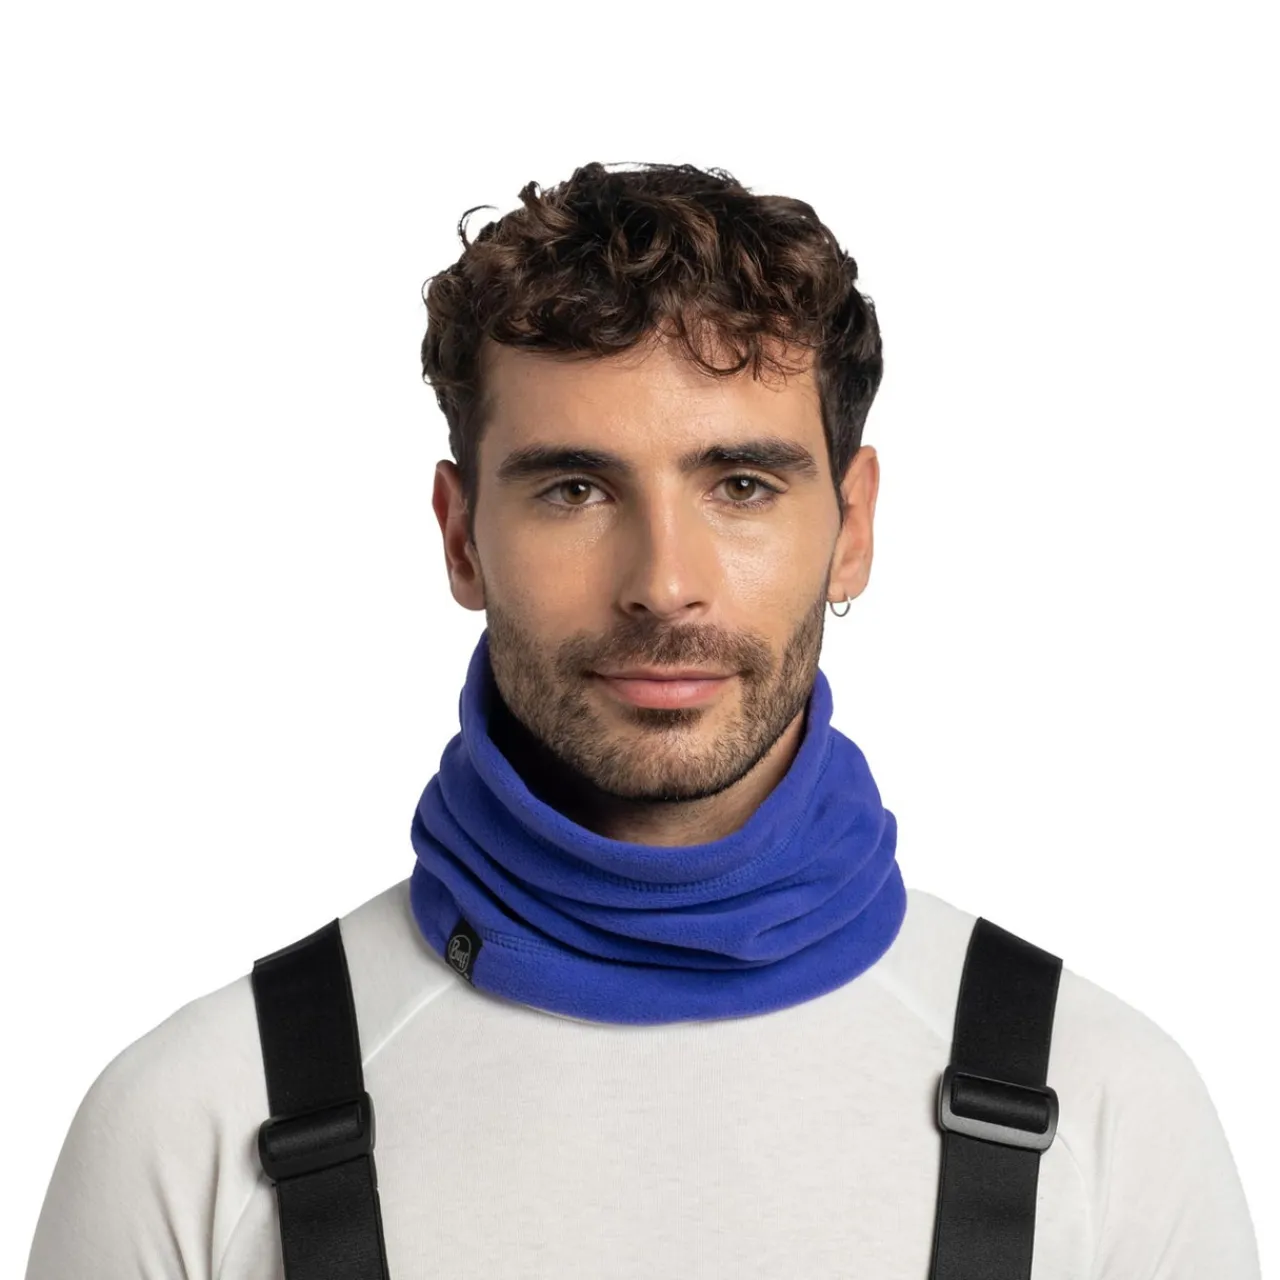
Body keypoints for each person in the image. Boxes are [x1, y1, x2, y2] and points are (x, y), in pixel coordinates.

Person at [24, 160, 1261, 1279]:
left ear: (852, 526)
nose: (663, 582)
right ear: (461, 537)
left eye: (740, 484)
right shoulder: (193, 1122)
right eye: (573, 487)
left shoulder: (1106, 1108)